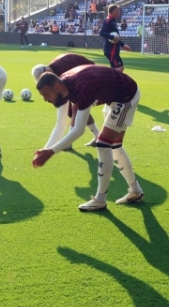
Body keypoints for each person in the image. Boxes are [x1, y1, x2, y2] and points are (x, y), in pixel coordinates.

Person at [33, 65, 144, 211]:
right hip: (113, 96)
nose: (45, 100)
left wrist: (51, 152)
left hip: (125, 95)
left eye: (46, 95)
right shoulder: (66, 85)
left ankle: (100, 200)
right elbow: (68, 124)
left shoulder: (82, 88)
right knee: (114, 145)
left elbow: (79, 130)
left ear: (57, 87)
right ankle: (135, 190)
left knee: (103, 144)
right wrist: (49, 149)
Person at [32, 53, 100, 150]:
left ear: (47, 71)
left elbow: (74, 104)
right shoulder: (54, 74)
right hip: (82, 78)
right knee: (72, 110)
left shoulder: (64, 69)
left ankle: (71, 142)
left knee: (78, 107)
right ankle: (98, 136)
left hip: (92, 77)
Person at [100, 4, 130, 72]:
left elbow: (116, 38)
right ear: (113, 12)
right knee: (120, 67)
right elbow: (102, 32)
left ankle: (110, 81)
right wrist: (112, 37)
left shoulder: (113, 21)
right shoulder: (108, 20)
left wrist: (122, 45)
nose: (119, 13)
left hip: (113, 49)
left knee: (116, 68)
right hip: (111, 50)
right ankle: (106, 79)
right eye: (117, 11)